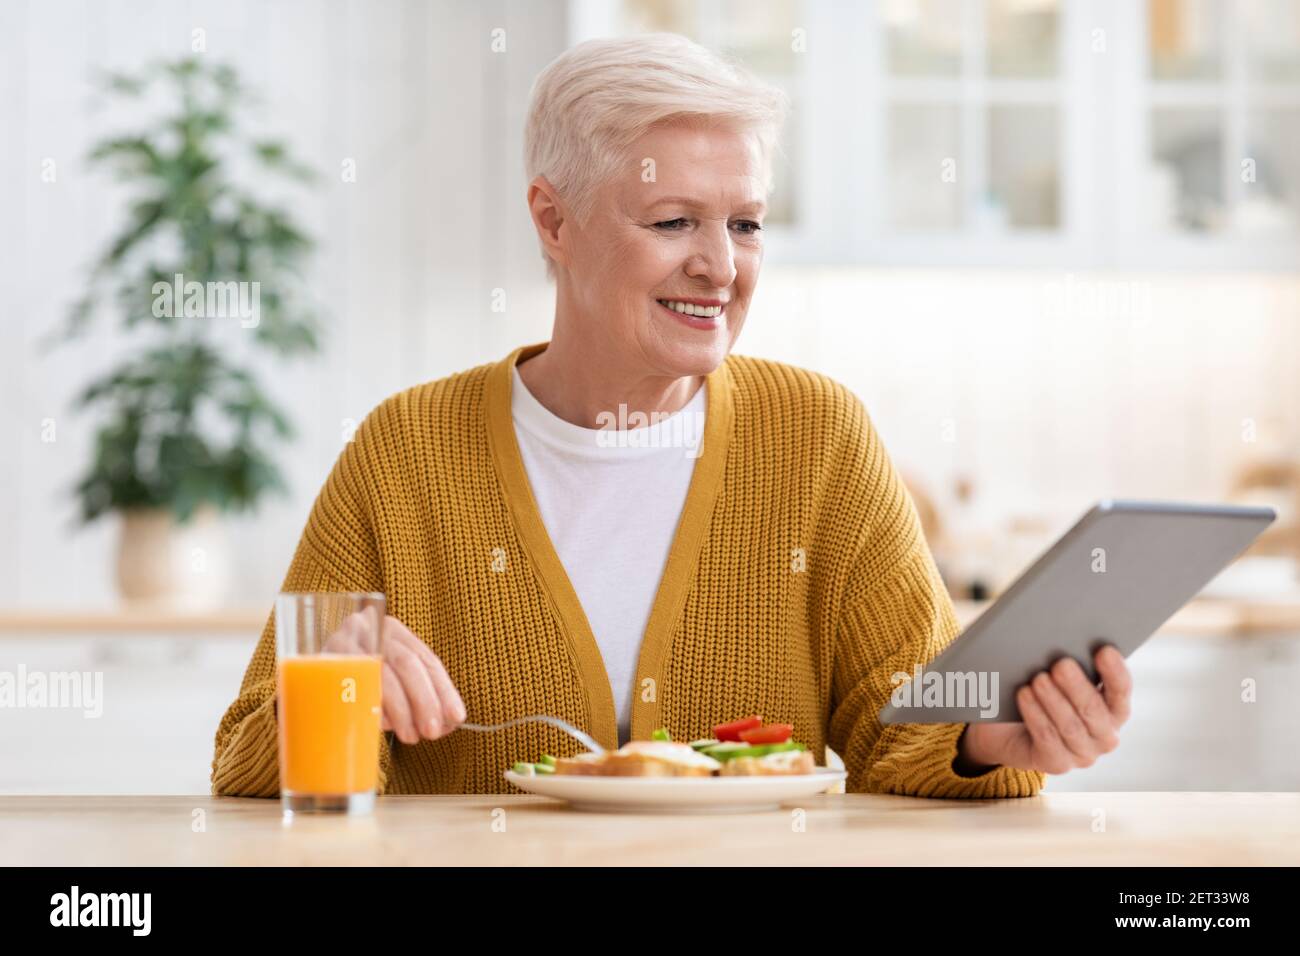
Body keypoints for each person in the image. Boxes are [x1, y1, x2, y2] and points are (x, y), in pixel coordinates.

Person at [213, 33, 1130, 798]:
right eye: (673, 222)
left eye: (745, 224)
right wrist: (329, 690)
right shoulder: (404, 451)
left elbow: (908, 722)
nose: (721, 269)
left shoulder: (818, 435)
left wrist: (987, 740)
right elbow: (245, 770)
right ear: (554, 221)